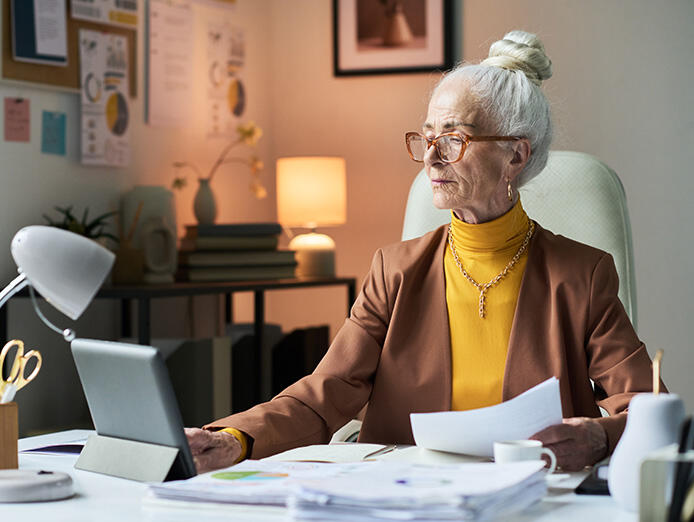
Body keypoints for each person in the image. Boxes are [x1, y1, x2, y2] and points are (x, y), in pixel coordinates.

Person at [185, 30, 661, 474]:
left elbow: (648, 402)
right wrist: (233, 439)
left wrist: (599, 437)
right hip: (405, 492)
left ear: (516, 155)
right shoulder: (394, 270)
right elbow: (323, 394)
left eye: (453, 138)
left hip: (527, 493)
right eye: (427, 136)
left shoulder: (581, 274)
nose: (431, 157)